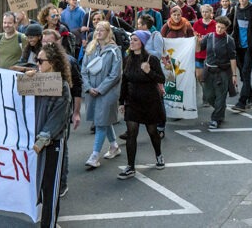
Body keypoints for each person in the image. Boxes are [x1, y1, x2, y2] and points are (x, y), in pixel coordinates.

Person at [27, 43, 72, 228]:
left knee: (50, 188)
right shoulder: (35, 81)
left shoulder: (61, 86)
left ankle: (49, 224)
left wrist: (42, 139)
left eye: (40, 61)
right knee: (37, 186)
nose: (36, 63)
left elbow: (57, 118)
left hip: (52, 144)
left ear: (52, 63)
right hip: (34, 143)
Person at [117, 30, 166, 179]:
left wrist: (149, 71)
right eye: (131, 39)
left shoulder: (152, 59)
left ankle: (159, 155)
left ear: (142, 43)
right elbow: (124, 82)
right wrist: (121, 102)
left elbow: (161, 79)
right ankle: (130, 166)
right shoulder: (127, 59)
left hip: (150, 101)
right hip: (132, 101)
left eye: (135, 40)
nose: (131, 42)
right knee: (131, 133)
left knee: (152, 131)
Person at [40, 30, 82, 198]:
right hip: (43, 120)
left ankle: (61, 182)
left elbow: (77, 87)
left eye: (50, 42)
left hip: (58, 124)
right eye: (44, 42)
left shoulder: (69, 65)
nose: (46, 45)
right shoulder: (39, 68)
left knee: (60, 151)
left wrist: (76, 113)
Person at [81, 21, 122, 168]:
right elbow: (84, 70)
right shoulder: (90, 48)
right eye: (96, 30)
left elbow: (115, 74)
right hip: (92, 91)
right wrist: (88, 87)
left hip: (108, 92)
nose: (98, 32)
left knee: (100, 122)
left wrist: (100, 89)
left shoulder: (115, 51)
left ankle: (94, 156)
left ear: (108, 32)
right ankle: (114, 146)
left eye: (102, 30)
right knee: (103, 119)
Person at [197, 16, 238, 129]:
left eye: (222, 28)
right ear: (215, 25)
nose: (219, 30)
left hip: (223, 72)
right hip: (209, 70)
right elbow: (198, 49)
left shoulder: (229, 40)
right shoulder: (209, 36)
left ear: (226, 29)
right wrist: (197, 41)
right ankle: (221, 110)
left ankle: (216, 119)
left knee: (221, 95)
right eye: (218, 27)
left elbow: (232, 58)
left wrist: (234, 75)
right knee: (208, 95)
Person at [193, 4, 216, 106]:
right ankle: (205, 91)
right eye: (203, 12)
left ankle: (206, 96)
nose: (205, 14)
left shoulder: (215, 24)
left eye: (207, 11)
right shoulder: (197, 24)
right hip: (199, 54)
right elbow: (193, 37)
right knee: (199, 76)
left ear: (211, 13)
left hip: (210, 54)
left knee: (208, 77)